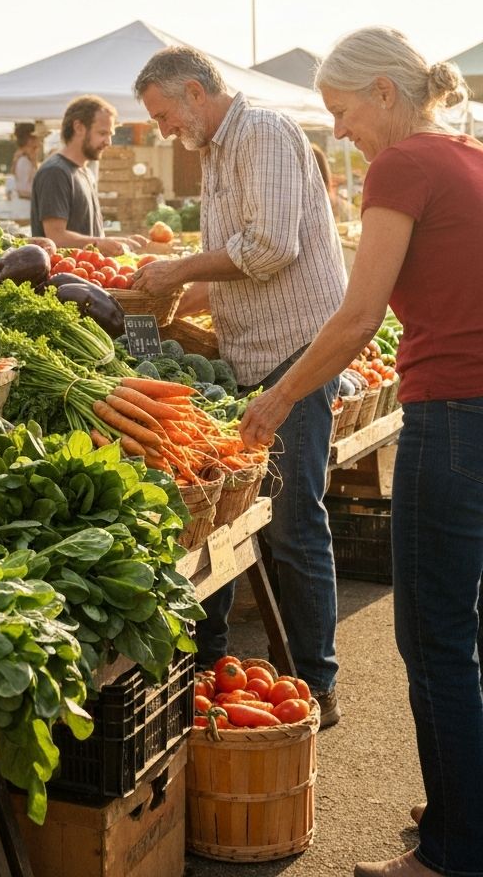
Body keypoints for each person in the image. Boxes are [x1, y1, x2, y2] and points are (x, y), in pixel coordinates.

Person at [240, 28, 483, 877]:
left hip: (450, 421)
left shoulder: (404, 163)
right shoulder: (467, 156)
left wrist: (278, 398)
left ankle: (454, 852)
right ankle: (463, 805)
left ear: (384, 91)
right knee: (463, 628)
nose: (339, 132)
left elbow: (356, 317)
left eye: (341, 111)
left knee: (434, 637)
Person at [131, 46, 348, 726]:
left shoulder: (263, 133)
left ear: (194, 92)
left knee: (293, 522)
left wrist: (178, 271)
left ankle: (316, 682)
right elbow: (238, 260)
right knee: (223, 512)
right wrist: (177, 297)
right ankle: (208, 662)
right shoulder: (216, 149)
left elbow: (272, 247)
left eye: (164, 114)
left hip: (296, 352)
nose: (164, 129)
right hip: (248, 354)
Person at [30, 96, 153, 256]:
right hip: (64, 271)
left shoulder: (85, 172)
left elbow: (89, 236)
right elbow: (56, 238)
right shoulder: (55, 172)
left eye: (110, 134)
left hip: (87, 269)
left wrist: (119, 242)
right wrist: (101, 243)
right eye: (102, 133)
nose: (108, 142)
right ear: (79, 128)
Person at [7, 122, 40, 199]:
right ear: (29, 141)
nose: (39, 143)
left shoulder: (27, 159)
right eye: (36, 138)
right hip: (26, 203)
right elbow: (23, 190)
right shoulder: (23, 161)